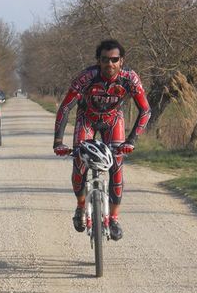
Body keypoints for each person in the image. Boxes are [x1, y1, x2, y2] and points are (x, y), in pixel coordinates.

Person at [53, 39, 151, 241]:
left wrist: (131, 140)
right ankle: (81, 207)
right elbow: (65, 107)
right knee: (79, 162)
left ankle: (114, 218)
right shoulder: (86, 77)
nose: (110, 64)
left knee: (117, 165)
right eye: (105, 60)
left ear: (121, 61)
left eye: (115, 60)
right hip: (86, 118)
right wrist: (58, 142)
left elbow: (146, 110)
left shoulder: (130, 78)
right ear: (98, 61)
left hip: (113, 120)